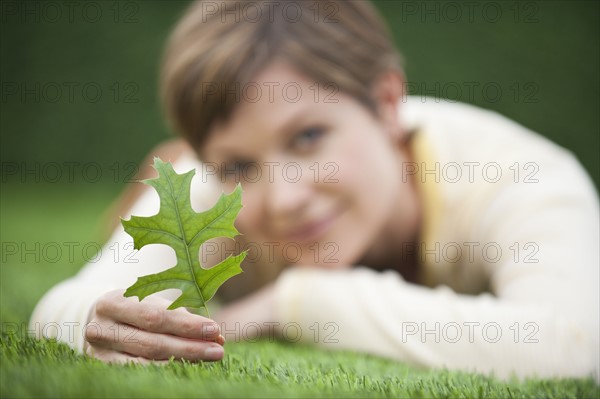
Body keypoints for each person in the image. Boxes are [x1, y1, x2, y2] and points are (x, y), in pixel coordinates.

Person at [30, 0, 599, 380]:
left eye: (307, 136)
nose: (283, 201)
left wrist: (296, 301)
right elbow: (63, 307)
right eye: (238, 166)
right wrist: (91, 319)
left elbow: (574, 345)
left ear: (386, 104)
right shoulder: (207, 191)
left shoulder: (524, 179)